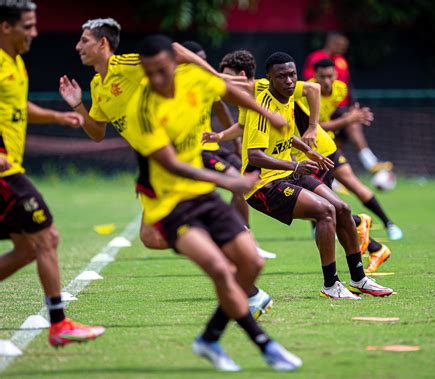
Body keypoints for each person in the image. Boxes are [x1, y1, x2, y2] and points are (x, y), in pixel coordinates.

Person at [59, 19, 274, 318]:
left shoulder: (128, 64)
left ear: (103, 44)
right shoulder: (98, 85)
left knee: (174, 225)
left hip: (176, 153)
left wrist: (210, 73)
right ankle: (236, 262)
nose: (78, 46)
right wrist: (76, 106)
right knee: (152, 237)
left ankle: (243, 279)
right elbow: (97, 132)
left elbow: (174, 50)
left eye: (84, 40)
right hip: (152, 163)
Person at [123, 34, 303, 372]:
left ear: (174, 64)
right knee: (222, 270)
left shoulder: (193, 78)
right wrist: (228, 180)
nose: (157, 80)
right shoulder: (142, 111)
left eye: (163, 70)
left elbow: (230, 92)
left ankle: (209, 337)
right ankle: (266, 346)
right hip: (169, 205)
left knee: (252, 264)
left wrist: (268, 114)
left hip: (202, 196)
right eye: (150, 74)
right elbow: (172, 165)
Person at [205, 50, 393, 271]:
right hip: (302, 154)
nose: (225, 83)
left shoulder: (268, 88)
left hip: (314, 151)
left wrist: (312, 129)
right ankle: (370, 248)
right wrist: (220, 136)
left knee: (327, 211)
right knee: (327, 212)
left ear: (242, 75)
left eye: (228, 76)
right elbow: (245, 128)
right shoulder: (254, 100)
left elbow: (312, 88)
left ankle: (363, 235)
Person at [0, 0, 105, 347]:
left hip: (11, 168)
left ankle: (59, 324)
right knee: (48, 237)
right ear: (6, 26)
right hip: (4, 171)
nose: (35, 32)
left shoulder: (15, 63)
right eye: (28, 26)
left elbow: (18, 106)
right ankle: (59, 324)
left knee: (28, 248)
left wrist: (58, 117)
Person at [181, 41, 277, 260]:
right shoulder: (182, 84)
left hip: (212, 148)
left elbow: (220, 107)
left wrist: (231, 139)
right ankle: (236, 240)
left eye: (204, 58)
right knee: (239, 184)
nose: (204, 63)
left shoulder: (211, 84)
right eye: (199, 59)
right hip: (196, 152)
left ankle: (243, 238)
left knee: (245, 183)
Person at [307, 58, 403, 241]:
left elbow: (335, 116)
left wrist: (353, 116)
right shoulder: (307, 92)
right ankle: (317, 226)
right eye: (322, 77)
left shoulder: (340, 89)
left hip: (329, 147)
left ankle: (389, 224)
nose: (326, 81)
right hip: (308, 150)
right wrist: (348, 119)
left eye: (330, 76)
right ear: (314, 77)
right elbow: (315, 126)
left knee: (355, 185)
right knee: (315, 189)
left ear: (335, 75)